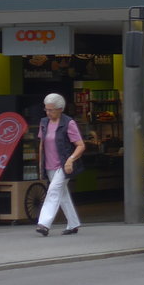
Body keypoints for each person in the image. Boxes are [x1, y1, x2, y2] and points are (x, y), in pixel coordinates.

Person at [36, 93, 86, 236]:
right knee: (62, 194)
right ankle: (73, 223)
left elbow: (80, 145)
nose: (48, 112)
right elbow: (42, 144)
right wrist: (40, 164)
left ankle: (43, 224)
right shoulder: (44, 122)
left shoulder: (68, 123)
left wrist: (70, 160)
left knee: (53, 191)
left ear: (60, 109)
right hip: (49, 165)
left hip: (63, 166)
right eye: (46, 109)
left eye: (51, 110)